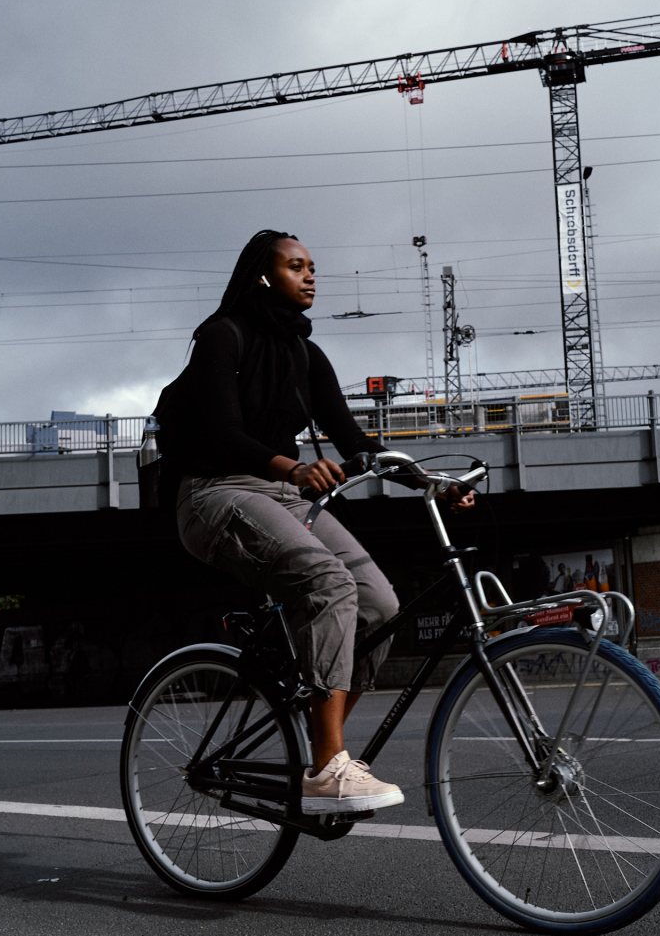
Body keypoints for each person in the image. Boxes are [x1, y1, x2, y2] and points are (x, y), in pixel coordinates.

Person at [162, 229, 473, 815]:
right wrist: (292, 467)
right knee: (328, 583)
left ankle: (318, 750)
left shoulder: (305, 353)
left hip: (276, 491)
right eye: (296, 266)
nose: (310, 276)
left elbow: (355, 442)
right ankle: (330, 764)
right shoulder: (221, 337)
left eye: (312, 267)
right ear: (263, 275)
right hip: (213, 492)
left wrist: (431, 483)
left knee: (379, 603)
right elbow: (220, 433)